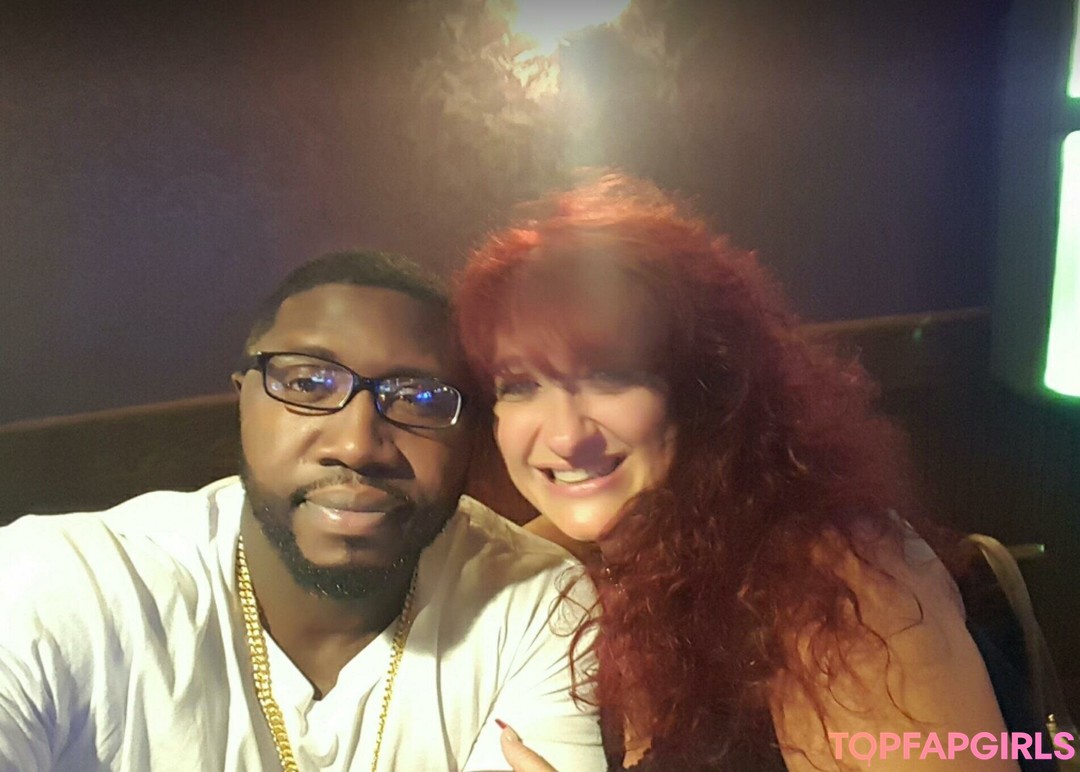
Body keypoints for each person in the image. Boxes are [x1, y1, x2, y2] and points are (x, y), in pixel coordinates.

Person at [454, 175, 1020, 771]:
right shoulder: (578, 559)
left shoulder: (835, 581)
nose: (566, 437)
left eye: (611, 375)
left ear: (704, 384)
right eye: (520, 385)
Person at [0, 251, 606, 771]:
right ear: (244, 402)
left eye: (418, 398)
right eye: (309, 385)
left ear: (470, 435)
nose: (357, 445)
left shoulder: (538, 606)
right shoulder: (61, 585)